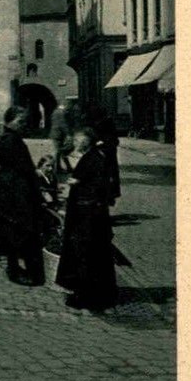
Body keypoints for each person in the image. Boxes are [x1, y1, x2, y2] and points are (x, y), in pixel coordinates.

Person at [56, 126, 118, 311]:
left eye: (77, 141)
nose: (75, 144)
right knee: (89, 254)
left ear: (86, 141)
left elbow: (100, 185)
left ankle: (86, 296)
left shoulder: (95, 157)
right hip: (88, 214)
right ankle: (90, 292)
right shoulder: (94, 156)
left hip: (88, 216)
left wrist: (79, 182)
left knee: (86, 254)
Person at [0, 106, 46, 286]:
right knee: (20, 230)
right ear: (9, 121)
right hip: (16, 193)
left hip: (10, 190)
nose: (23, 125)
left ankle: (15, 267)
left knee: (13, 230)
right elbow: (23, 168)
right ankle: (16, 271)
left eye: (25, 122)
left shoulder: (9, 139)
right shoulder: (12, 141)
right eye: (20, 122)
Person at [86, 103, 121, 206]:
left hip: (106, 155)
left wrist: (103, 142)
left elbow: (114, 139)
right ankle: (106, 198)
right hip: (104, 155)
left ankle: (106, 199)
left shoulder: (103, 123)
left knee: (105, 178)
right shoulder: (99, 123)